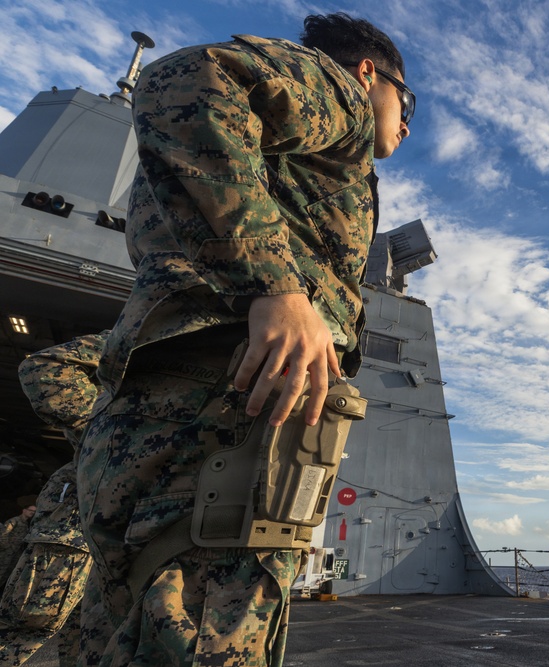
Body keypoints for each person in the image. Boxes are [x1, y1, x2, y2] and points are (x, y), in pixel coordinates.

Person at [76, 12, 413, 666]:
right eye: (408, 102)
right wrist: (276, 288)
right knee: (208, 635)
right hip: (228, 416)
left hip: (166, 418)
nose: (403, 122)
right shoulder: (343, 97)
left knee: (127, 632)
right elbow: (186, 79)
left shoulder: (267, 165)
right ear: (370, 75)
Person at [0, 332, 105, 666]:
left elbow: (43, 368)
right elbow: (43, 368)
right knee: (27, 634)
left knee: (83, 646)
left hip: (100, 550)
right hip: (82, 541)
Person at [0, 500, 35, 583]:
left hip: (15, 553)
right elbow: (3, 534)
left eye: (34, 512)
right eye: (31, 510)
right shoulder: (14, 521)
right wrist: (6, 547)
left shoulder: (26, 524)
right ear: (24, 510)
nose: (32, 513)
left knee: (7, 574)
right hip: (6, 552)